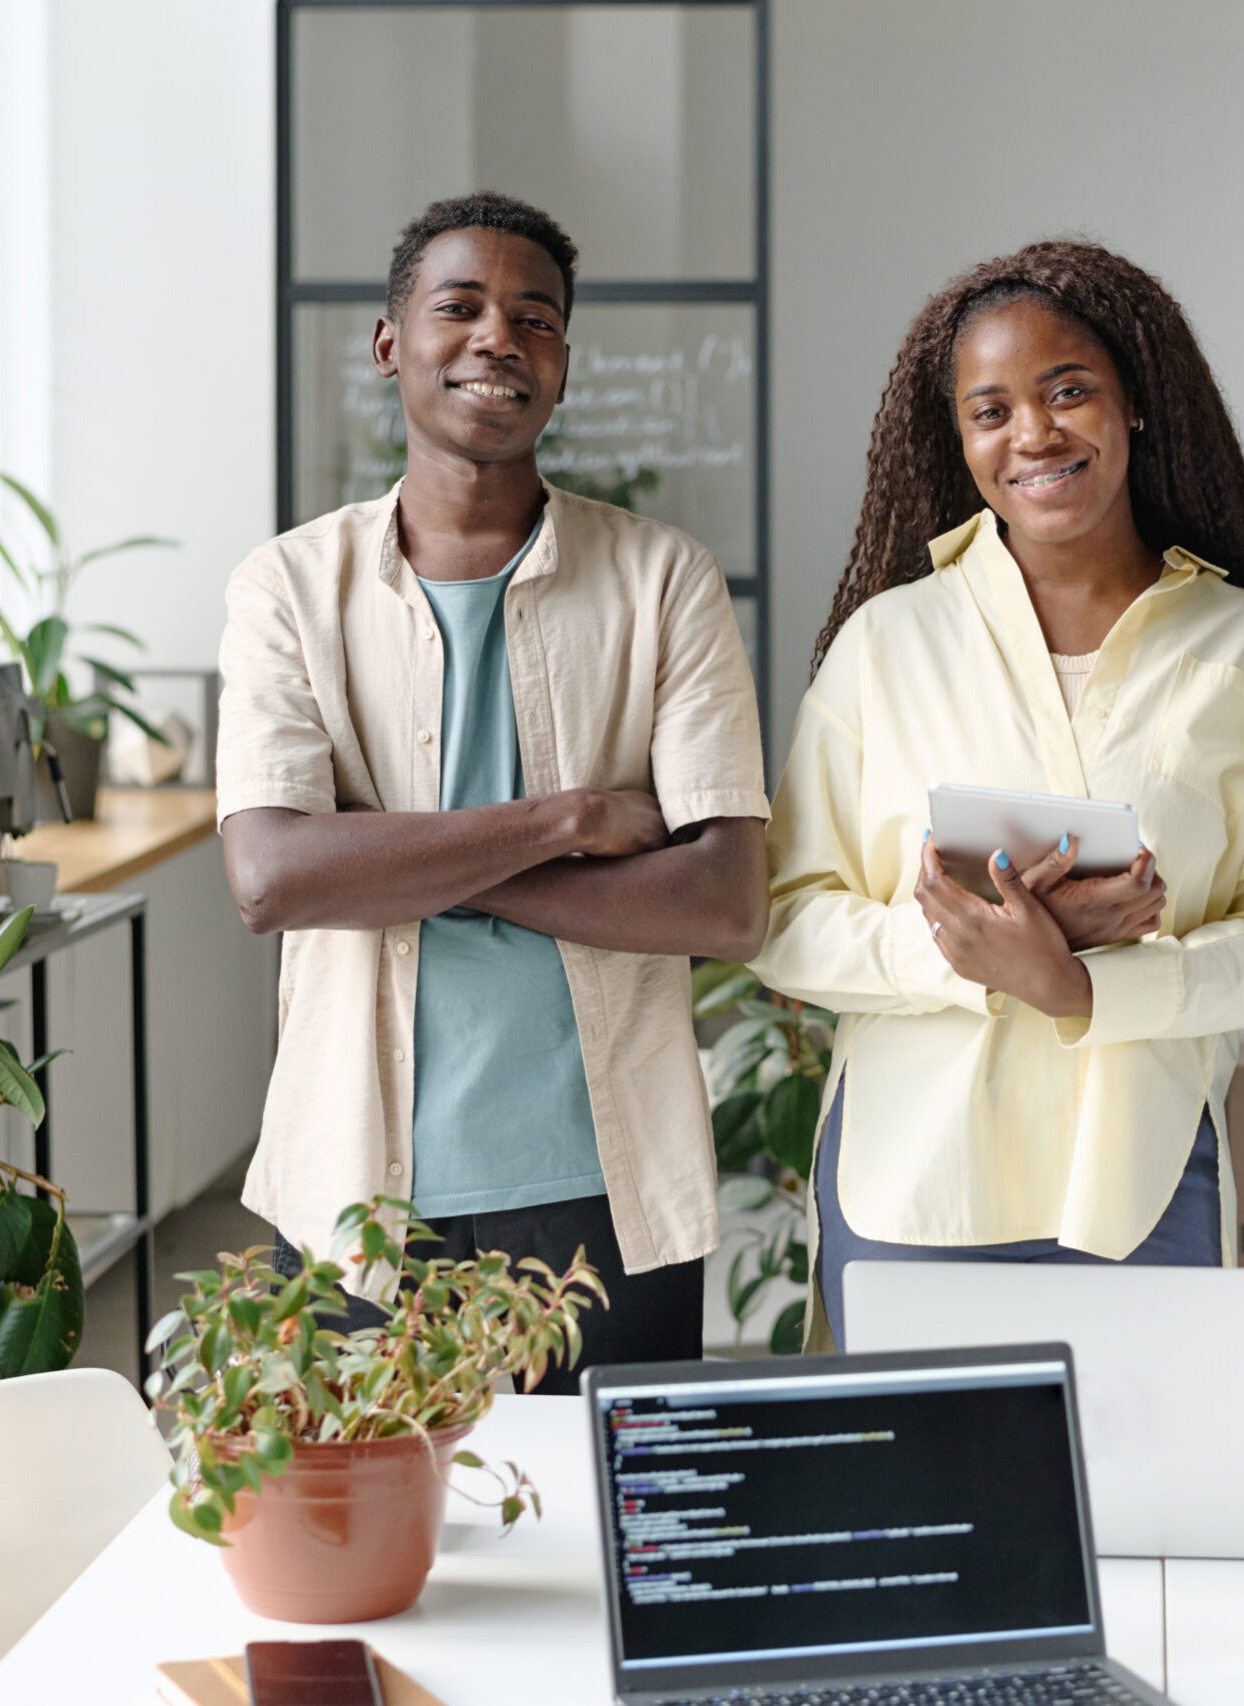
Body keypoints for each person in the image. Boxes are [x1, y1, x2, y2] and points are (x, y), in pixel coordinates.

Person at [214, 191, 769, 1387]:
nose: (497, 340)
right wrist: (565, 822)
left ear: (563, 364)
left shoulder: (664, 580)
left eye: (536, 319)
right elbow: (269, 879)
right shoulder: (289, 589)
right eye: (459, 307)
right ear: (389, 343)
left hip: (604, 1194)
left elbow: (725, 902)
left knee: (613, 1552)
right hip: (356, 1190)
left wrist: (392, 863)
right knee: (381, 1553)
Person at [751, 240, 1244, 1340]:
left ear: (1136, 407)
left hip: (1144, 1183)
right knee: (919, 1506)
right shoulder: (886, 645)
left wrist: (1084, 988)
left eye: (1068, 391)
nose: (1034, 433)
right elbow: (783, 921)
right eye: (992, 409)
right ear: (961, 437)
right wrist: (976, 950)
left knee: (1150, 1512)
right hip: (916, 1183)